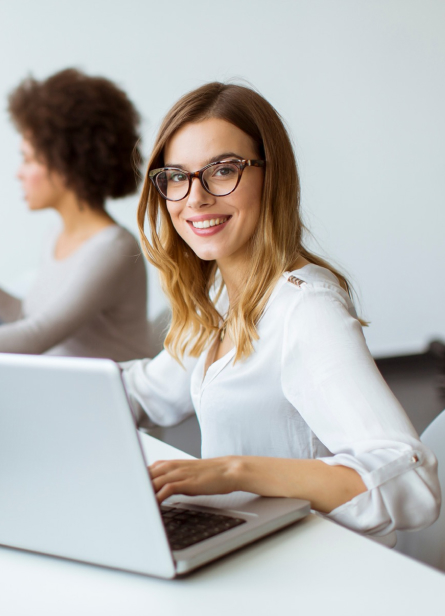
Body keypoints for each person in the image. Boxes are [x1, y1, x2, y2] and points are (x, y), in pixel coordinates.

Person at [121, 82, 440, 542]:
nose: (195, 198)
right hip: (243, 542)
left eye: (223, 170)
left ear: (272, 177)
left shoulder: (306, 309)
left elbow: (413, 482)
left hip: (308, 563)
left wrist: (235, 470)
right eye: (176, 176)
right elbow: (147, 392)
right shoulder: (224, 301)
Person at [0, 68, 151, 361]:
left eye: (28, 159)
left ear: (66, 165)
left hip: (109, 403)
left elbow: (35, 337)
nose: (19, 173)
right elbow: (29, 317)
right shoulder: (56, 235)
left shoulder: (113, 248)